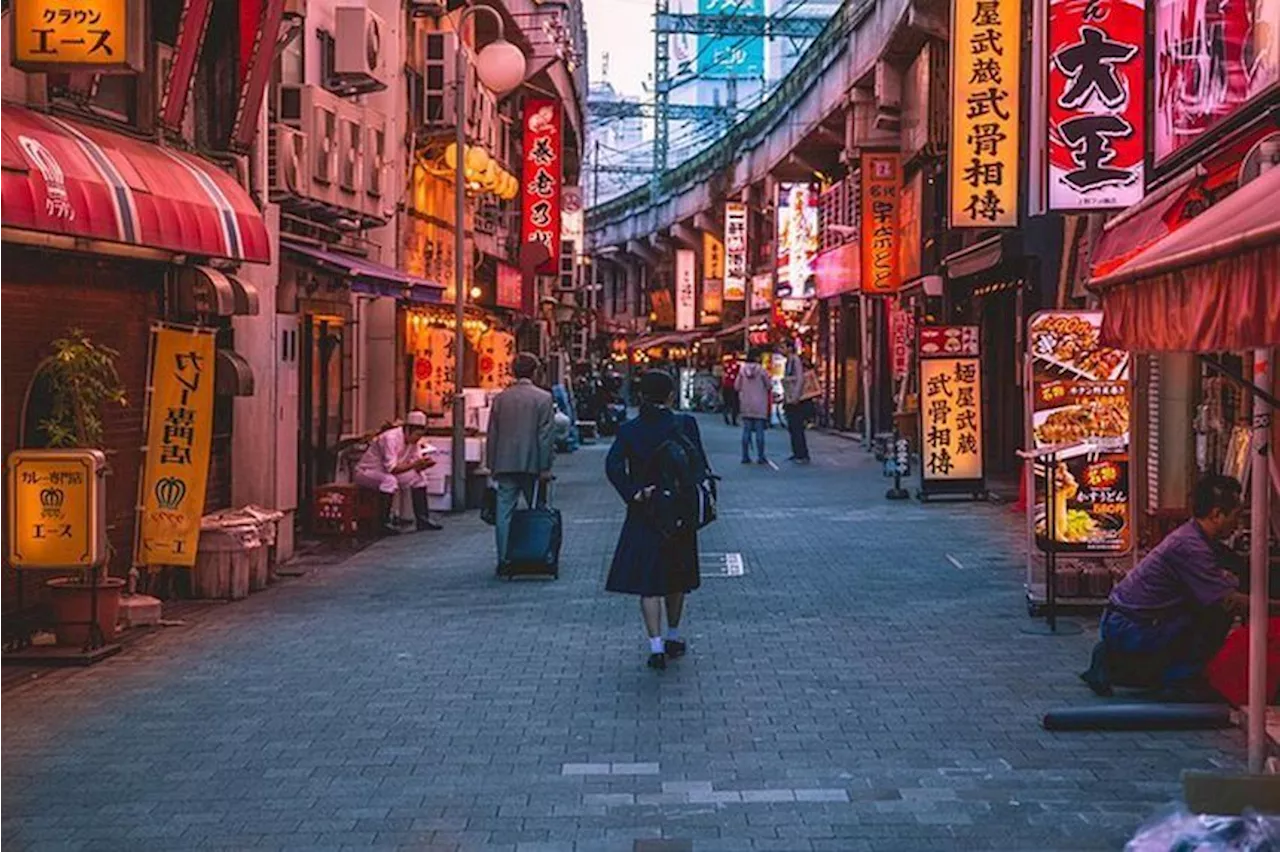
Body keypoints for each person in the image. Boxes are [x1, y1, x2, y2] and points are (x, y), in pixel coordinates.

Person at [1081, 475, 1251, 697]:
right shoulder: (1191, 547)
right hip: (1128, 626)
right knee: (1217, 611)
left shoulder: (1195, 537)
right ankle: (1178, 680)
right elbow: (1226, 599)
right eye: (1236, 517)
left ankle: (1125, 665)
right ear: (1217, 514)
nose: (1238, 525)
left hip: (1131, 619)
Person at [605, 370, 707, 670]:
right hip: (678, 510)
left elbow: (612, 466)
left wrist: (634, 492)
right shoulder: (685, 424)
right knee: (677, 576)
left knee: (648, 581)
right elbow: (698, 463)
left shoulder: (630, 429)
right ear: (671, 395)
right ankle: (674, 635)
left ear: (641, 396)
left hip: (645, 510)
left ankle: (656, 646)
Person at [486, 352, 556, 572]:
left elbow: (492, 434)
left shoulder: (501, 398)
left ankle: (504, 558)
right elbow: (545, 436)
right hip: (532, 462)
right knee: (536, 509)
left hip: (504, 462)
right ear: (535, 372)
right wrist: (545, 467)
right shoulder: (543, 398)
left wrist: (492, 464)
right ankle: (535, 553)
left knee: (503, 512)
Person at [352, 410, 441, 534]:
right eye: (416, 435)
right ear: (408, 430)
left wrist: (423, 465)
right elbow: (392, 468)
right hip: (368, 472)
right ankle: (382, 523)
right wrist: (415, 465)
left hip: (389, 472)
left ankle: (423, 519)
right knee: (389, 481)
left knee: (420, 478)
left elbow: (414, 462)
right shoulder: (390, 438)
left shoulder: (413, 442)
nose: (417, 439)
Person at [735, 348, 772, 465]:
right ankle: (761, 456)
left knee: (746, 431)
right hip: (760, 404)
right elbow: (769, 385)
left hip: (746, 404)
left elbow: (736, 386)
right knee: (760, 431)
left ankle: (745, 456)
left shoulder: (742, 370)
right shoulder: (762, 370)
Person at [781, 340, 813, 463]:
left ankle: (802, 454)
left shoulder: (795, 361)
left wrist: (795, 396)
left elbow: (799, 379)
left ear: (789, 348)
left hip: (795, 399)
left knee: (797, 426)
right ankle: (796, 452)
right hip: (790, 398)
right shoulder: (789, 361)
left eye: (783, 347)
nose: (781, 350)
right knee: (792, 427)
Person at [720, 355, 741, 426]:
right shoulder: (737, 367)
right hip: (734, 386)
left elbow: (724, 375)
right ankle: (733, 419)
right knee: (735, 404)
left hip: (727, 386)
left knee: (727, 403)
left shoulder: (727, 366)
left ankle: (726, 415)